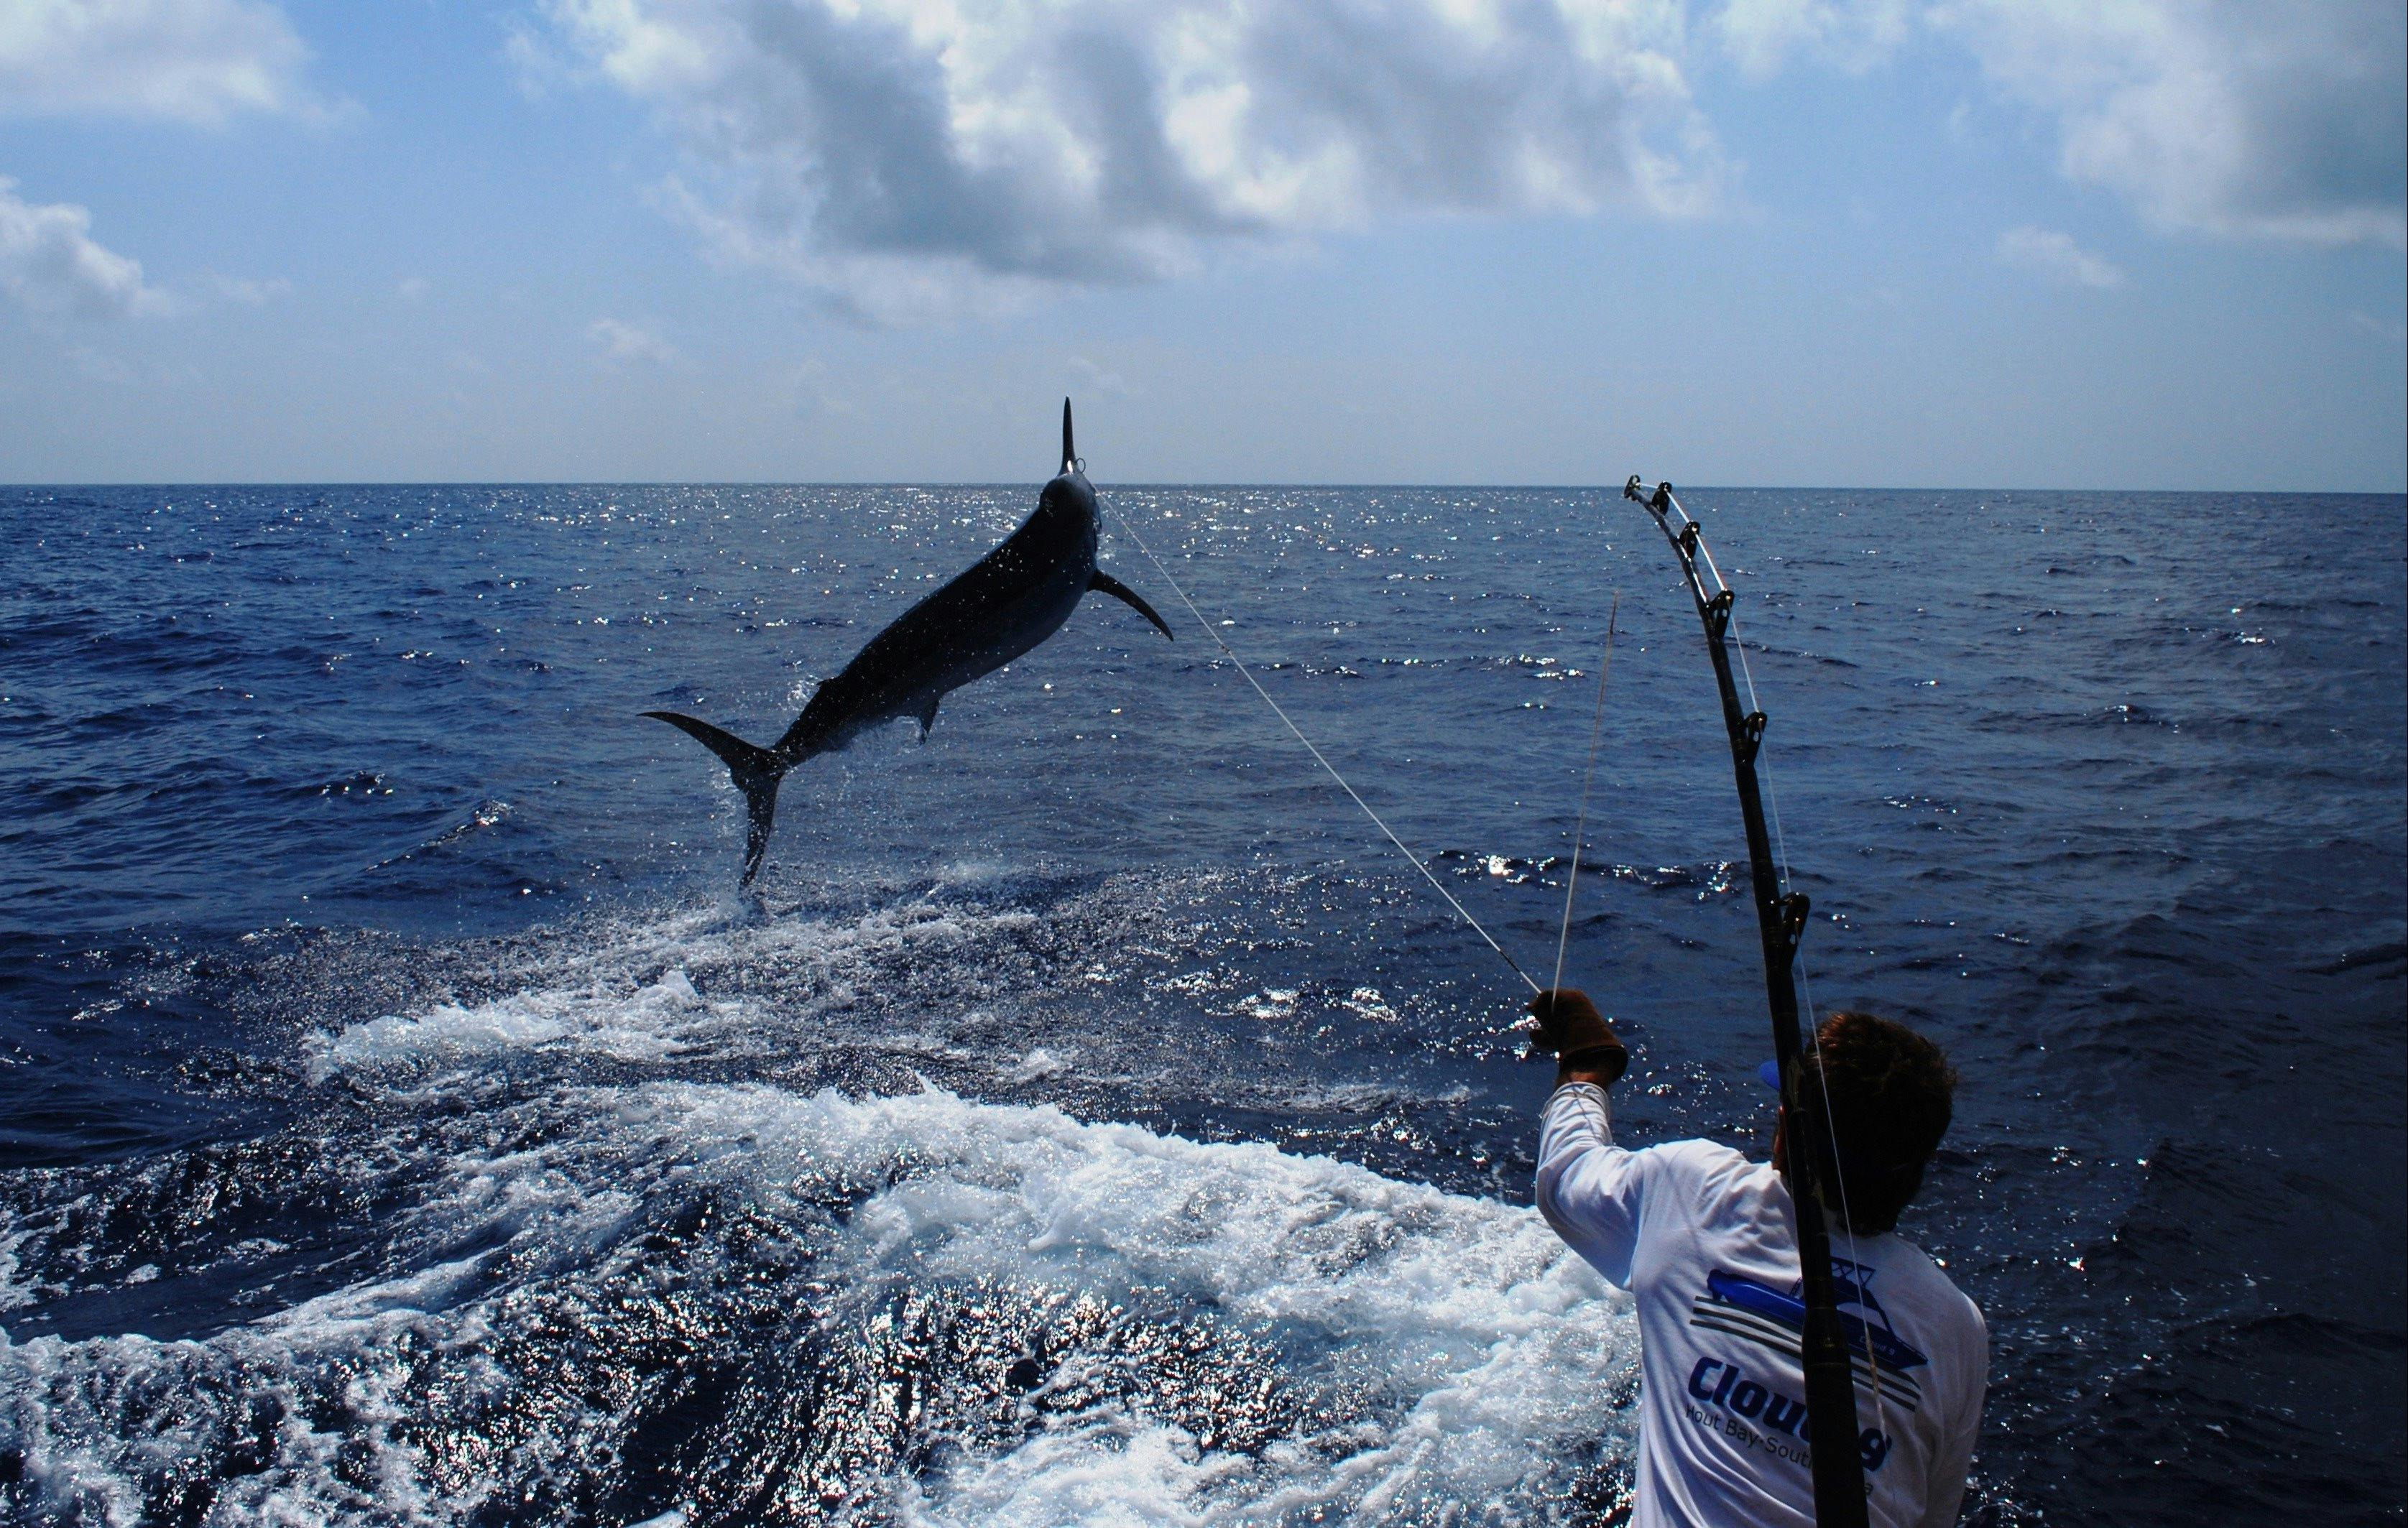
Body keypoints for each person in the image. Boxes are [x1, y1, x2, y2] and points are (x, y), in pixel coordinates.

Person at [1526, 989, 1985, 1527]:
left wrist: (1586, 1068)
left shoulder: (1693, 1190)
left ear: (1785, 1131)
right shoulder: (1958, 1327)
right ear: (1916, 1171)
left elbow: (1566, 1173)